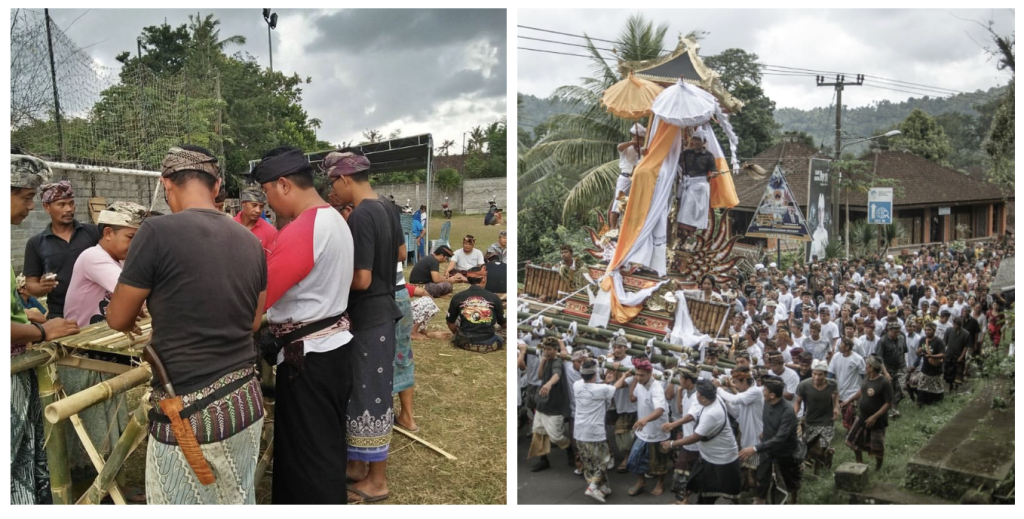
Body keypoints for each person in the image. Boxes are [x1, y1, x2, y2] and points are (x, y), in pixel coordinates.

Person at [106, 145, 267, 504]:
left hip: (190, 410)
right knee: (236, 498)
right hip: (244, 399)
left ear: (167, 184)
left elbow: (118, 317)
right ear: (217, 185)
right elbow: (254, 320)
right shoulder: (251, 241)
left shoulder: (156, 232)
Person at [251, 147, 356, 504]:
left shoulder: (304, 228)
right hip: (332, 347)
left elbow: (258, 301)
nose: (266, 204)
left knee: (308, 451)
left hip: (309, 357)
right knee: (323, 442)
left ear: (282, 184)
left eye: (265, 193)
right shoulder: (334, 220)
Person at [326, 147, 404, 504]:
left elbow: (361, 278)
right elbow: (401, 255)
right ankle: (358, 465)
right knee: (366, 391)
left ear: (344, 179)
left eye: (332, 184)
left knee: (370, 394)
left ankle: (378, 480)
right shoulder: (387, 207)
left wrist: (329, 280)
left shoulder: (360, 216)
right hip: (385, 309)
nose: (332, 192)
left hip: (369, 314)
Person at [10, 155, 81, 505]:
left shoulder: (90, 233)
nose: (28, 207)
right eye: (25, 198)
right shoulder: (36, 243)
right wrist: (41, 332)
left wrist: (27, 319)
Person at [62, 202, 147, 484]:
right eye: (131, 238)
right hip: (82, 352)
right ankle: (96, 488)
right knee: (92, 426)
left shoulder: (117, 261)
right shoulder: (93, 257)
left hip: (101, 350)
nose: (134, 245)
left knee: (110, 421)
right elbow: (131, 292)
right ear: (108, 232)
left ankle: (112, 484)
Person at [22, 179, 101, 318]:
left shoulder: (93, 232)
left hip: (97, 308)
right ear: (47, 207)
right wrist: (41, 288)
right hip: (60, 313)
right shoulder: (36, 243)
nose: (69, 209)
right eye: (62, 204)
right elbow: (30, 284)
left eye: (71, 203)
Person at [676, 379, 742, 504]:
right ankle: (685, 501)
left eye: (698, 394)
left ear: (703, 398)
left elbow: (695, 437)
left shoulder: (711, 414)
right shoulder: (713, 398)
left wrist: (673, 443)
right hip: (708, 457)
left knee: (731, 493)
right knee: (701, 489)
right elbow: (694, 411)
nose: (696, 395)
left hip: (722, 460)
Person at [738, 377, 801, 504]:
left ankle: (792, 503)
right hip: (767, 449)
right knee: (761, 478)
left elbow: (780, 438)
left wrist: (755, 448)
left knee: (788, 483)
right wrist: (765, 431)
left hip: (784, 452)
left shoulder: (788, 411)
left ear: (772, 395)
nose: (763, 392)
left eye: (765, 390)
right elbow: (768, 421)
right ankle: (760, 501)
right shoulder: (767, 402)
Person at [574, 359, 626, 503]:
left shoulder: (576, 385)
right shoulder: (602, 389)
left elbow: (596, 389)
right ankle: (592, 487)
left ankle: (601, 487)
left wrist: (605, 381)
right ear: (595, 374)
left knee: (589, 463)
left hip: (579, 432)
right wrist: (623, 376)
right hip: (594, 433)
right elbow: (616, 386)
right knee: (604, 460)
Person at [625, 357, 670, 497]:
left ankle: (660, 483)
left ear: (650, 374)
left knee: (659, 462)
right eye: (636, 374)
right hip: (642, 431)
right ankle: (641, 481)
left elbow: (660, 410)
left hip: (658, 431)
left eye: (641, 375)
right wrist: (634, 379)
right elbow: (632, 398)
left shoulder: (656, 388)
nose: (638, 377)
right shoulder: (639, 382)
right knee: (634, 459)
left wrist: (645, 419)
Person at [842, 355, 894, 471]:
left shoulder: (884, 382)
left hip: (877, 420)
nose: (865, 366)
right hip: (862, 417)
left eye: (867, 365)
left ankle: (878, 467)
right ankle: (860, 464)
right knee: (852, 441)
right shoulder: (867, 378)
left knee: (877, 447)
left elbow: (888, 403)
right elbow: (862, 390)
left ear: (871, 367)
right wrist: (849, 400)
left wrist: (874, 417)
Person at [529, 337, 573, 472]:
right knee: (538, 432)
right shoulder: (547, 360)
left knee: (555, 436)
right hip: (543, 404)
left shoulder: (557, 362)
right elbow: (541, 376)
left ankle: (570, 450)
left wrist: (549, 384)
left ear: (555, 350)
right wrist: (542, 361)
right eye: (544, 349)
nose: (546, 351)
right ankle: (544, 460)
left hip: (555, 406)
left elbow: (556, 375)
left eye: (549, 349)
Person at [675, 128, 719, 247]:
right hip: (686, 185)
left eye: (698, 139)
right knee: (682, 212)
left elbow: (714, 170)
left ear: (704, 142)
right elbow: (675, 164)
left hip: (699, 187)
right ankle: (681, 238)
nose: (695, 141)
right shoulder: (686, 154)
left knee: (691, 214)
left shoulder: (709, 156)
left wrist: (714, 174)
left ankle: (688, 239)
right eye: (694, 138)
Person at [446, 265, 506, 352]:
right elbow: (504, 324)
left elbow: (450, 322)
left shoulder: (458, 297)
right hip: (490, 344)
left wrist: (458, 334)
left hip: (464, 343)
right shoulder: (494, 297)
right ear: (484, 279)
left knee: (457, 317)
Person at [794, 360, 838, 474]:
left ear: (826, 374)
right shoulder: (804, 385)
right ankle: (817, 465)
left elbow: (836, 394)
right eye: (814, 374)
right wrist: (793, 415)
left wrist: (835, 407)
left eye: (820, 374)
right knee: (808, 448)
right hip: (810, 421)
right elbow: (798, 402)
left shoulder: (832, 384)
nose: (817, 377)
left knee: (822, 448)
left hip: (827, 422)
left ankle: (820, 471)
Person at [609, 122, 645, 231]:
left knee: (634, 204)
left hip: (637, 179)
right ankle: (613, 228)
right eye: (636, 137)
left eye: (640, 138)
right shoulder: (626, 148)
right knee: (619, 202)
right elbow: (619, 147)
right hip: (625, 177)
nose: (638, 139)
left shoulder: (643, 149)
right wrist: (633, 142)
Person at [829, 337, 866, 431]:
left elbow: (863, 376)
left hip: (852, 392)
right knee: (844, 414)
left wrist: (862, 390)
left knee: (851, 414)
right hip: (839, 392)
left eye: (841, 344)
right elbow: (830, 373)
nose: (839, 346)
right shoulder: (836, 356)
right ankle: (850, 431)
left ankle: (852, 433)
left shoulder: (857, 359)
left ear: (847, 347)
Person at [876, 321, 907, 417]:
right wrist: (885, 373)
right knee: (889, 391)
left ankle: (893, 407)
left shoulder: (902, 338)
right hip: (888, 368)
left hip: (901, 367)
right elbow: (879, 359)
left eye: (898, 331)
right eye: (894, 332)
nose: (897, 333)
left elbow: (904, 352)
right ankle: (891, 409)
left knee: (902, 390)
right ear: (888, 330)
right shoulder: (882, 341)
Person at [942, 316, 971, 391]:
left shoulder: (966, 334)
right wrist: (942, 352)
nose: (956, 326)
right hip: (949, 354)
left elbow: (966, 347)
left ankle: (956, 387)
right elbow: (945, 342)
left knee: (958, 373)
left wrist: (962, 356)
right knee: (948, 372)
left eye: (958, 325)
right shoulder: (949, 330)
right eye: (955, 325)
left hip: (958, 355)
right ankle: (950, 386)